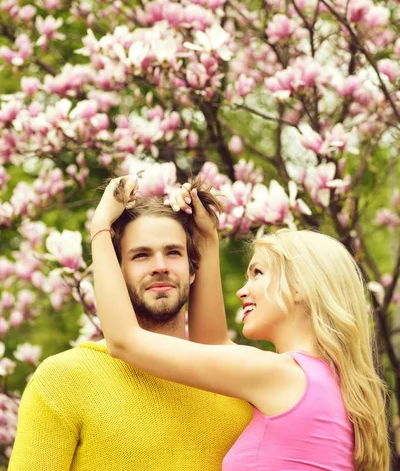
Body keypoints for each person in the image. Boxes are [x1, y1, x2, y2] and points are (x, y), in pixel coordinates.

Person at [91, 174, 390, 471]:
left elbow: (124, 340)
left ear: (299, 287)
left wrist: (101, 224)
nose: (242, 290)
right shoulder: (326, 381)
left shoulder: (281, 375)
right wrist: (207, 237)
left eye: (258, 273)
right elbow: (210, 345)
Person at [8, 178, 253, 471]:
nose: (160, 265)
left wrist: (208, 235)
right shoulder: (62, 381)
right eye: (141, 255)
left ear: (192, 270)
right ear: (117, 271)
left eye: (173, 252)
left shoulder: (238, 383)